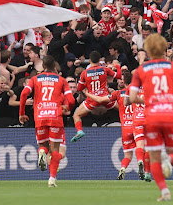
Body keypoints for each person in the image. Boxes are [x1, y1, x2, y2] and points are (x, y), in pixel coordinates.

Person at [129, 33, 173, 202]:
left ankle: (164, 191)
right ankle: (168, 158)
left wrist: (148, 101)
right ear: (164, 48)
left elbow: (133, 98)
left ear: (147, 50)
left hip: (152, 117)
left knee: (153, 157)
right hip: (171, 114)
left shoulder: (140, 70)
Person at [19, 55, 75, 187]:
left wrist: (21, 113)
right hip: (55, 117)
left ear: (43, 66)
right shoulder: (61, 80)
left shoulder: (34, 79)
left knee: (43, 147)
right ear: (54, 66)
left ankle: (42, 153)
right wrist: (68, 108)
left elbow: (23, 94)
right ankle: (51, 179)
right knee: (55, 150)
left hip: (40, 116)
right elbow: (71, 100)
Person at [71, 51, 122, 142]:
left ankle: (79, 131)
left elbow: (79, 88)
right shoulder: (105, 70)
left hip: (92, 100)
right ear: (99, 60)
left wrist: (87, 86)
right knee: (122, 109)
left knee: (76, 115)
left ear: (89, 60)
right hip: (105, 98)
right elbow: (118, 76)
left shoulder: (85, 73)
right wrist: (117, 66)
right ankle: (131, 124)